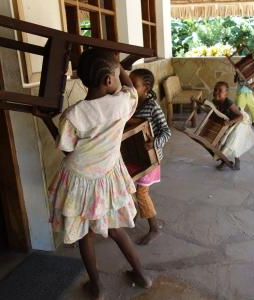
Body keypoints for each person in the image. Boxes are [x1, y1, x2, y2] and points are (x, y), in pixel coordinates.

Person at [36, 48, 151, 300]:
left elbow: (66, 149)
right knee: (116, 229)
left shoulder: (73, 114)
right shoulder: (123, 103)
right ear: (109, 79)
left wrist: (46, 120)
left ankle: (97, 286)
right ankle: (141, 275)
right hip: (107, 178)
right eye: (115, 73)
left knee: (85, 233)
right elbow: (130, 88)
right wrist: (120, 65)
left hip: (78, 179)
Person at [129, 68, 171, 245]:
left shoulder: (152, 107)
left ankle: (154, 228)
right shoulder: (129, 104)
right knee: (130, 188)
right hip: (132, 156)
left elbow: (166, 132)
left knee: (141, 193)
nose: (129, 88)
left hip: (149, 159)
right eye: (127, 84)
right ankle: (136, 213)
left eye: (133, 85)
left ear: (146, 88)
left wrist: (154, 143)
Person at [212, 81, 254, 170]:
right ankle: (225, 161)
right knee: (225, 142)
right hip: (233, 121)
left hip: (241, 121)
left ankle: (233, 161)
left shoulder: (228, 102)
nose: (216, 92)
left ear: (226, 93)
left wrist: (230, 122)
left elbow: (240, 116)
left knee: (232, 141)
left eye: (220, 90)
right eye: (215, 90)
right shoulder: (215, 101)